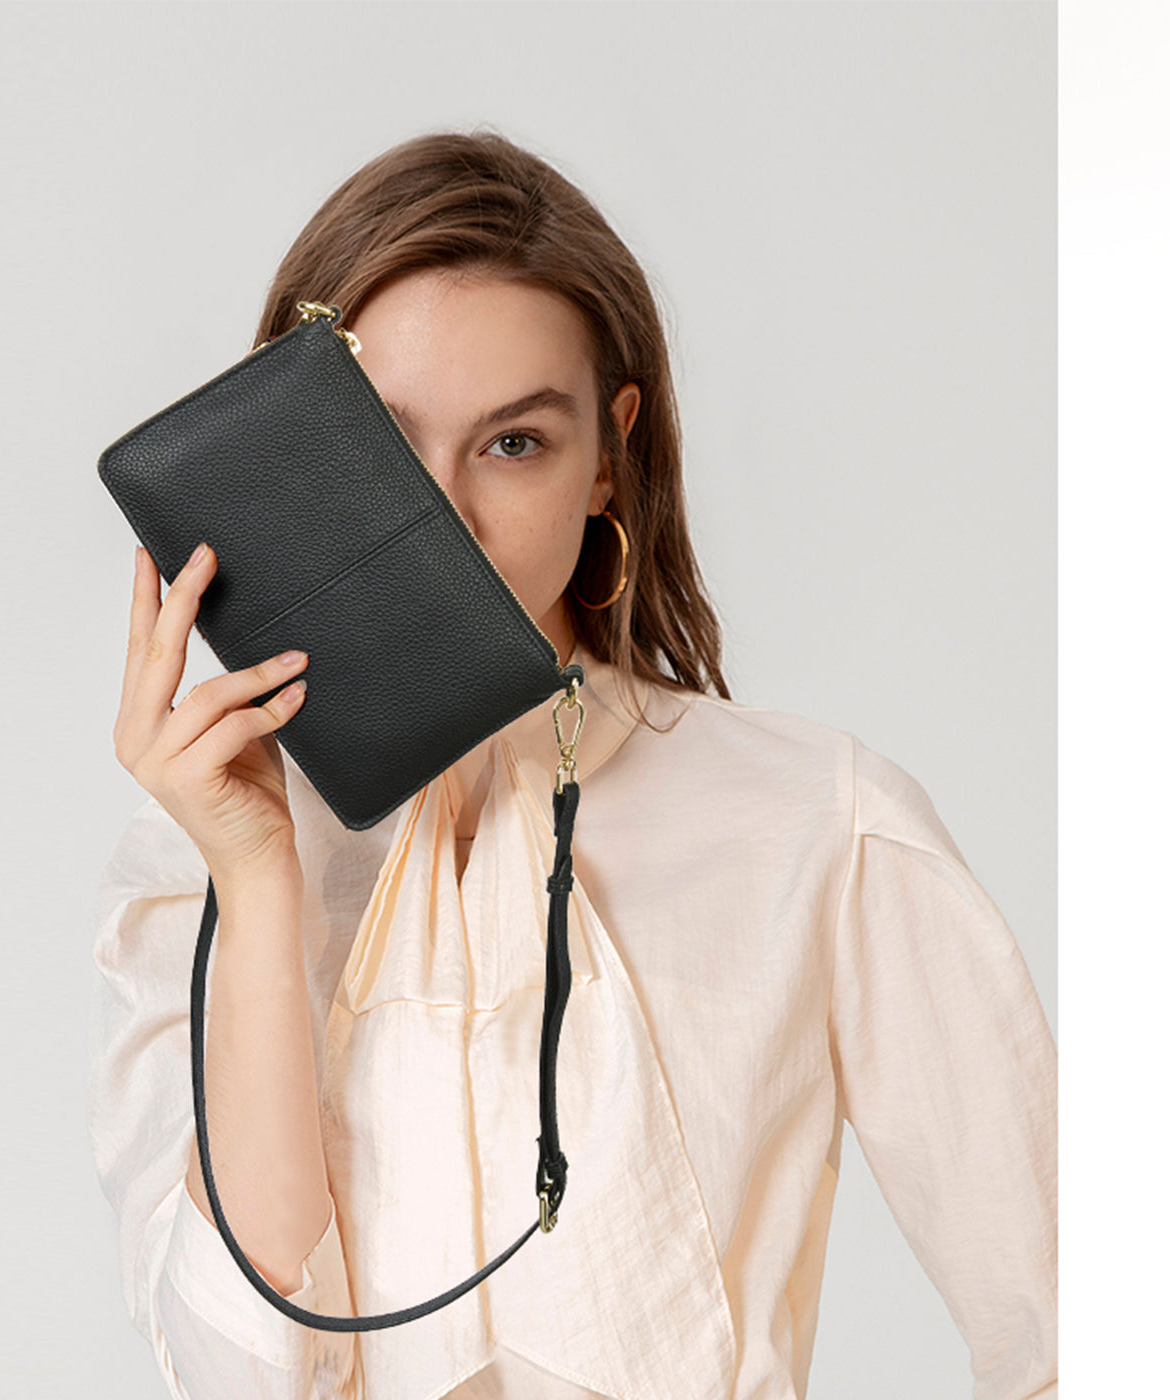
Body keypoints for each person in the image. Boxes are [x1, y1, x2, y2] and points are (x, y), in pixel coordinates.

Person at [88, 129, 1057, 1400]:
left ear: (607, 454)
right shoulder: (195, 864)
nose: (440, 513)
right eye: (381, 441)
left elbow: (1072, 1323)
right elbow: (243, 1375)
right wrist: (259, 884)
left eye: (513, 443)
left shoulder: (816, 824)